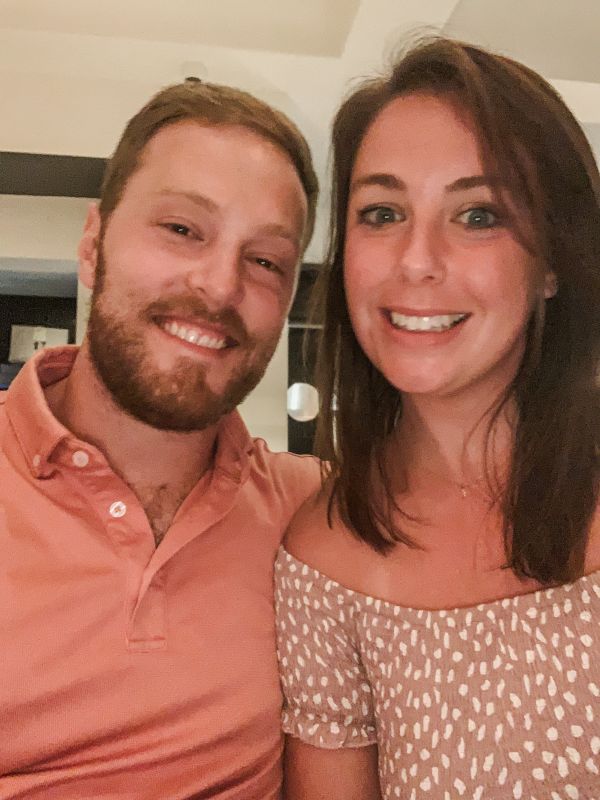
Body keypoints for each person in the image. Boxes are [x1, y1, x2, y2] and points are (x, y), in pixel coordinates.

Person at [276, 38, 600, 800]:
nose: (416, 260)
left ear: (554, 263)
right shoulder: (322, 558)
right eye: (382, 213)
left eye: (478, 214)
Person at [1, 79, 320, 799]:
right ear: (93, 244)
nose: (219, 286)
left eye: (265, 261)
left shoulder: (313, 515)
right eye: (182, 229)